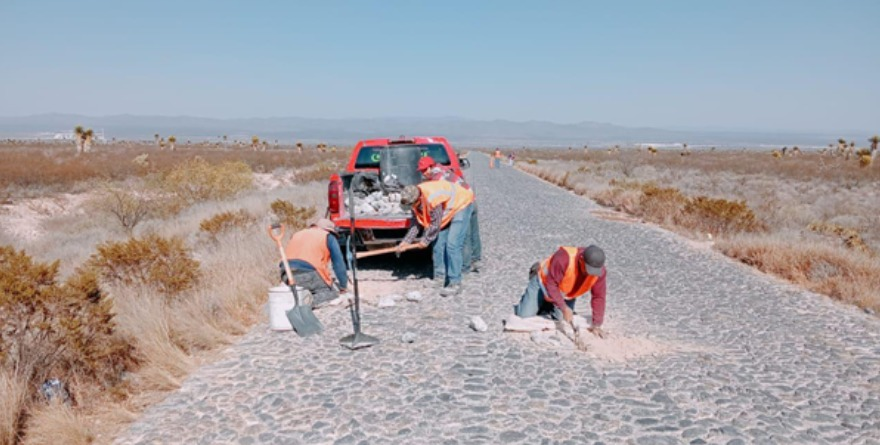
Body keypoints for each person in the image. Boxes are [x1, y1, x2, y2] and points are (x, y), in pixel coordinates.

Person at [397, 180, 474, 296]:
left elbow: (435, 224)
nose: (410, 208)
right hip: (447, 210)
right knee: (438, 244)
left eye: (411, 206)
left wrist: (425, 240)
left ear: (417, 200)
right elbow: (416, 224)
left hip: (461, 204)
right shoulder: (414, 198)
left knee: (452, 245)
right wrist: (406, 242)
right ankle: (439, 277)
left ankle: (455, 282)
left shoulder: (433, 198)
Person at [514, 245, 607, 338]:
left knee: (561, 319)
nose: (589, 274)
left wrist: (597, 324)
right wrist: (564, 307)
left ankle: (547, 305)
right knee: (524, 315)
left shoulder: (599, 271)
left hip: (565, 293)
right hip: (542, 283)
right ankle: (538, 299)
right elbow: (551, 285)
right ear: (581, 259)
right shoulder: (563, 258)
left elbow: (598, 297)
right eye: (588, 269)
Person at [416, 157, 482, 271]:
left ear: (431, 166)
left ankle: (464, 267)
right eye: (421, 171)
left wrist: (427, 237)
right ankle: (475, 259)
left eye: (424, 170)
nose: (423, 173)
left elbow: (438, 207)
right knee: (472, 232)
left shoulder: (437, 179)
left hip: (463, 203)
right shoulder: (444, 169)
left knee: (463, 236)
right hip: (470, 198)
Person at [281, 218, 348, 308]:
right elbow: (338, 264)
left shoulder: (297, 234)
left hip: (286, 272)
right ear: (328, 230)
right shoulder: (328, 236)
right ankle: (306, 302)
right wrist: (343, 286)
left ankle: (291, 298)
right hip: (308, 272)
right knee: (332, 293)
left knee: (301, 288)